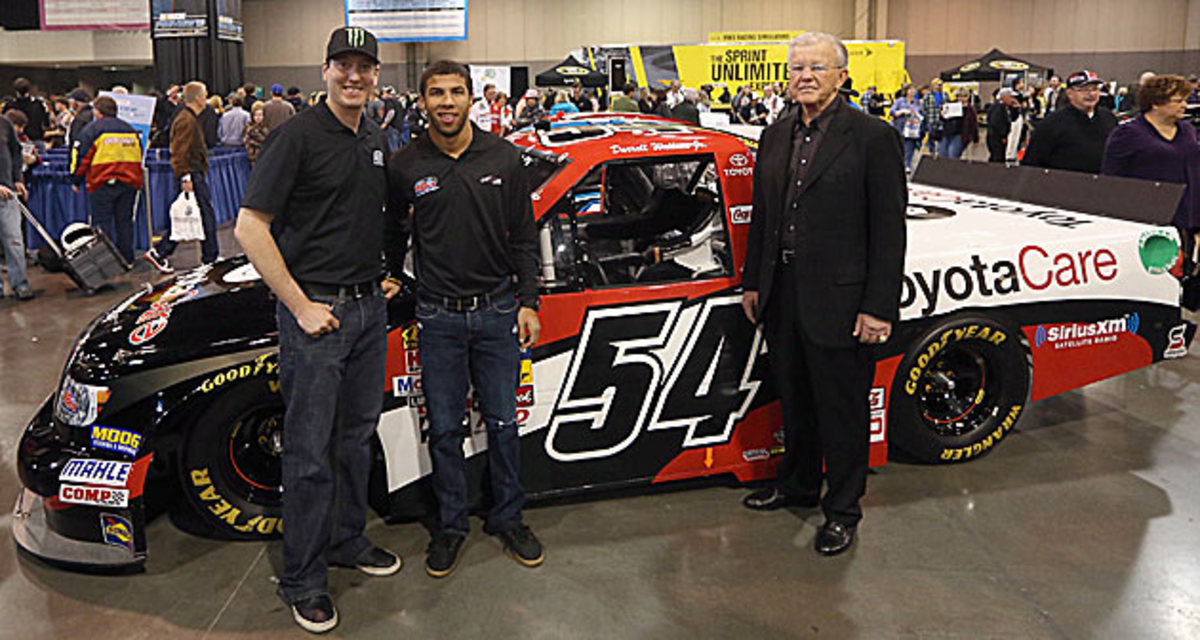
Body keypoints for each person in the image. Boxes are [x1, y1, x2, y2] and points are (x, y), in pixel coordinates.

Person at [235, 26, 402, 634]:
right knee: (308, 452)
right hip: (318, 318)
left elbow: (369, 218)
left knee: (355, 439)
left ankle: (346, 540)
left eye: (365, 66)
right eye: (343, 65)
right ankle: (304, 579)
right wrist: (301, 305)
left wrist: (383, 277)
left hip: (365, 311)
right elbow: (251, 227)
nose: (354, 76)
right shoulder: (297, 137)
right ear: (325, 69)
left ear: (377, 75)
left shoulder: (375, 139)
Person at [741, 31, 905, 557]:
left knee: (842, 411)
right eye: (796, 69)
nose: (804, 76)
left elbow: (889, 228)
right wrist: (753, 281)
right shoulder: (774, 134)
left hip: (841, 299)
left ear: (842, 75)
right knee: (795, 400)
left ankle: (842, 510)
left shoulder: (872, 137)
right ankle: (797, 485)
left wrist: (878, 306)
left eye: (816, 68)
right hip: (782, 293)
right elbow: (763, 216)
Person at [385, 59, 544, 579]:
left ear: (473, 97)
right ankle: (451, 526)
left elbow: (524, 237)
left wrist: (529, 301)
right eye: (437, 93)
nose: (447, 102)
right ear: (423, 100)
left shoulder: (505, 157)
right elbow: (392, 231)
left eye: (456, 92)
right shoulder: (406, 163)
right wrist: (389, 271)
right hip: (437, 318)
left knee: (502, 423)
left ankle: (509, 517)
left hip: (498, 313)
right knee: (447, 431)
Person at [1103, 74, 1200, 257]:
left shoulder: (1188, 130)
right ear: (1156, 103)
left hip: (1187, 217)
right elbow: (1111, 179)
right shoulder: (1127, 134)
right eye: (1178, 101)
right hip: (1148, 220)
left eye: (1185, 100)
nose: (1185, 106)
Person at [145, 81, 219, 272]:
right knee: (202, 215)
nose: (207, 99)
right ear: (198, 98)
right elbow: (180, 151)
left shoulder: (188, 118)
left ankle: (206, 255)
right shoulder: (186, 120)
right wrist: (185, 177)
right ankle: (207, 257)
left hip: (192, 172)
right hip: (190, 174)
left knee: (195, 215)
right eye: (205, 95)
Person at [69, 96, 143, 264]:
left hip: (102, 183)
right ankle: (127, 259)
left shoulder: (92, 130)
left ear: (98, 111)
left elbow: (81, 157)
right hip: (129, 183)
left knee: (102, 224)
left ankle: (107, 262)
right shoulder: (130, 130)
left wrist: (75, 180)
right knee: (124, 222)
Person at [1022, 70, 1117, 174]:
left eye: (1094, 89)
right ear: (1070, 93)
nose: (1090, 94)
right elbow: (1032, 162)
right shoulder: (1052, 123)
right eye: (1083, 90)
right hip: (1062, 184)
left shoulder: (1109, 119)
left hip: (1101, 184)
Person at [0, 109, 32, 300]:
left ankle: (20, 284)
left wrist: (17, 178)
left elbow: (16, 151)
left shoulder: (4, 123)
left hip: (7, 196)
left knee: (14, 241)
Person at [937, 91, 978, 159]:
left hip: (960, 134)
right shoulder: (950, 105)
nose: (961, 98)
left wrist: (975, 138)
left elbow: (974, 124)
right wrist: (942, 115)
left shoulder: (970, 109)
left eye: (964, 96)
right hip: (947, 133)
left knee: (952, 154)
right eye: (959, 96)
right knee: (942, 155)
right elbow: (943, 119)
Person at [8, 78, 48, 148]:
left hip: (16, 140)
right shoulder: (39, 104)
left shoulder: (10, 105)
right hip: (36, 139)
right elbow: (46, 121)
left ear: (16, 91)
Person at [891, 85, 923, 169]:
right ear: (906, 91)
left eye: (913, 89)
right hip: (899, 127)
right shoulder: (899, 101)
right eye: (910, 90)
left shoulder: (917, 102)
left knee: (910, 147)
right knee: (899, 147)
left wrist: (917, 115)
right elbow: (892, 112)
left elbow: (921, 113)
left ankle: (907, 165)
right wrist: (902, 111)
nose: (912, 91)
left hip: (912, 128)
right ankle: (897, 165)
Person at [986, 88, 1018, 163]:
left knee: (1000, 157)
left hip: (1000, 137)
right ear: (1004, 97)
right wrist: (1002, 135)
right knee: (997, 157)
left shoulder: (1006, 108)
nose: (1012, 99)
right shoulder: (998, 107)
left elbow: (1013, 118)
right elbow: (996, 122)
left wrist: (1015, 108)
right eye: (1011, 97)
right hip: (995, 137)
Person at [921, 78, 946, 155]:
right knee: (931, 134)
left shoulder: (944, 95)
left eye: (940, 85)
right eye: (937, 85)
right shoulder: (928, 95)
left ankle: (939, 150)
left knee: (940, 135)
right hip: (931, 118)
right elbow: (924, 107)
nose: (938, 86)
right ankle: (932, 151)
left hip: (941, 119)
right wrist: (926, 115)